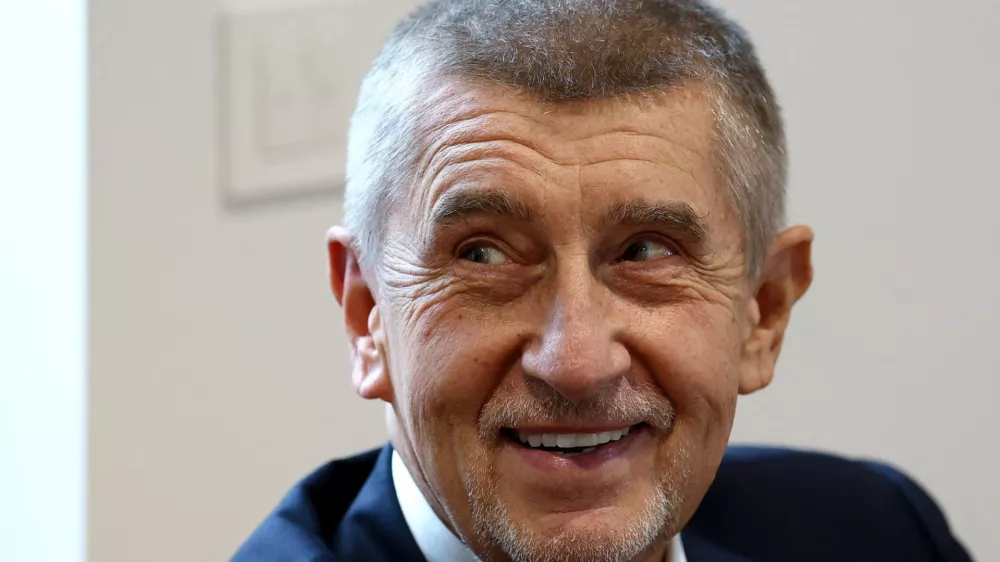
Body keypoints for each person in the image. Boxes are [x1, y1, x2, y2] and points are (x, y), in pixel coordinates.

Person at [233, 0, 972, 560]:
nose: (576, 363)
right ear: (368, 315)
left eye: (648, 251)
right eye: (484, 254)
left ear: (765, 309)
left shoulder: (876, 533)